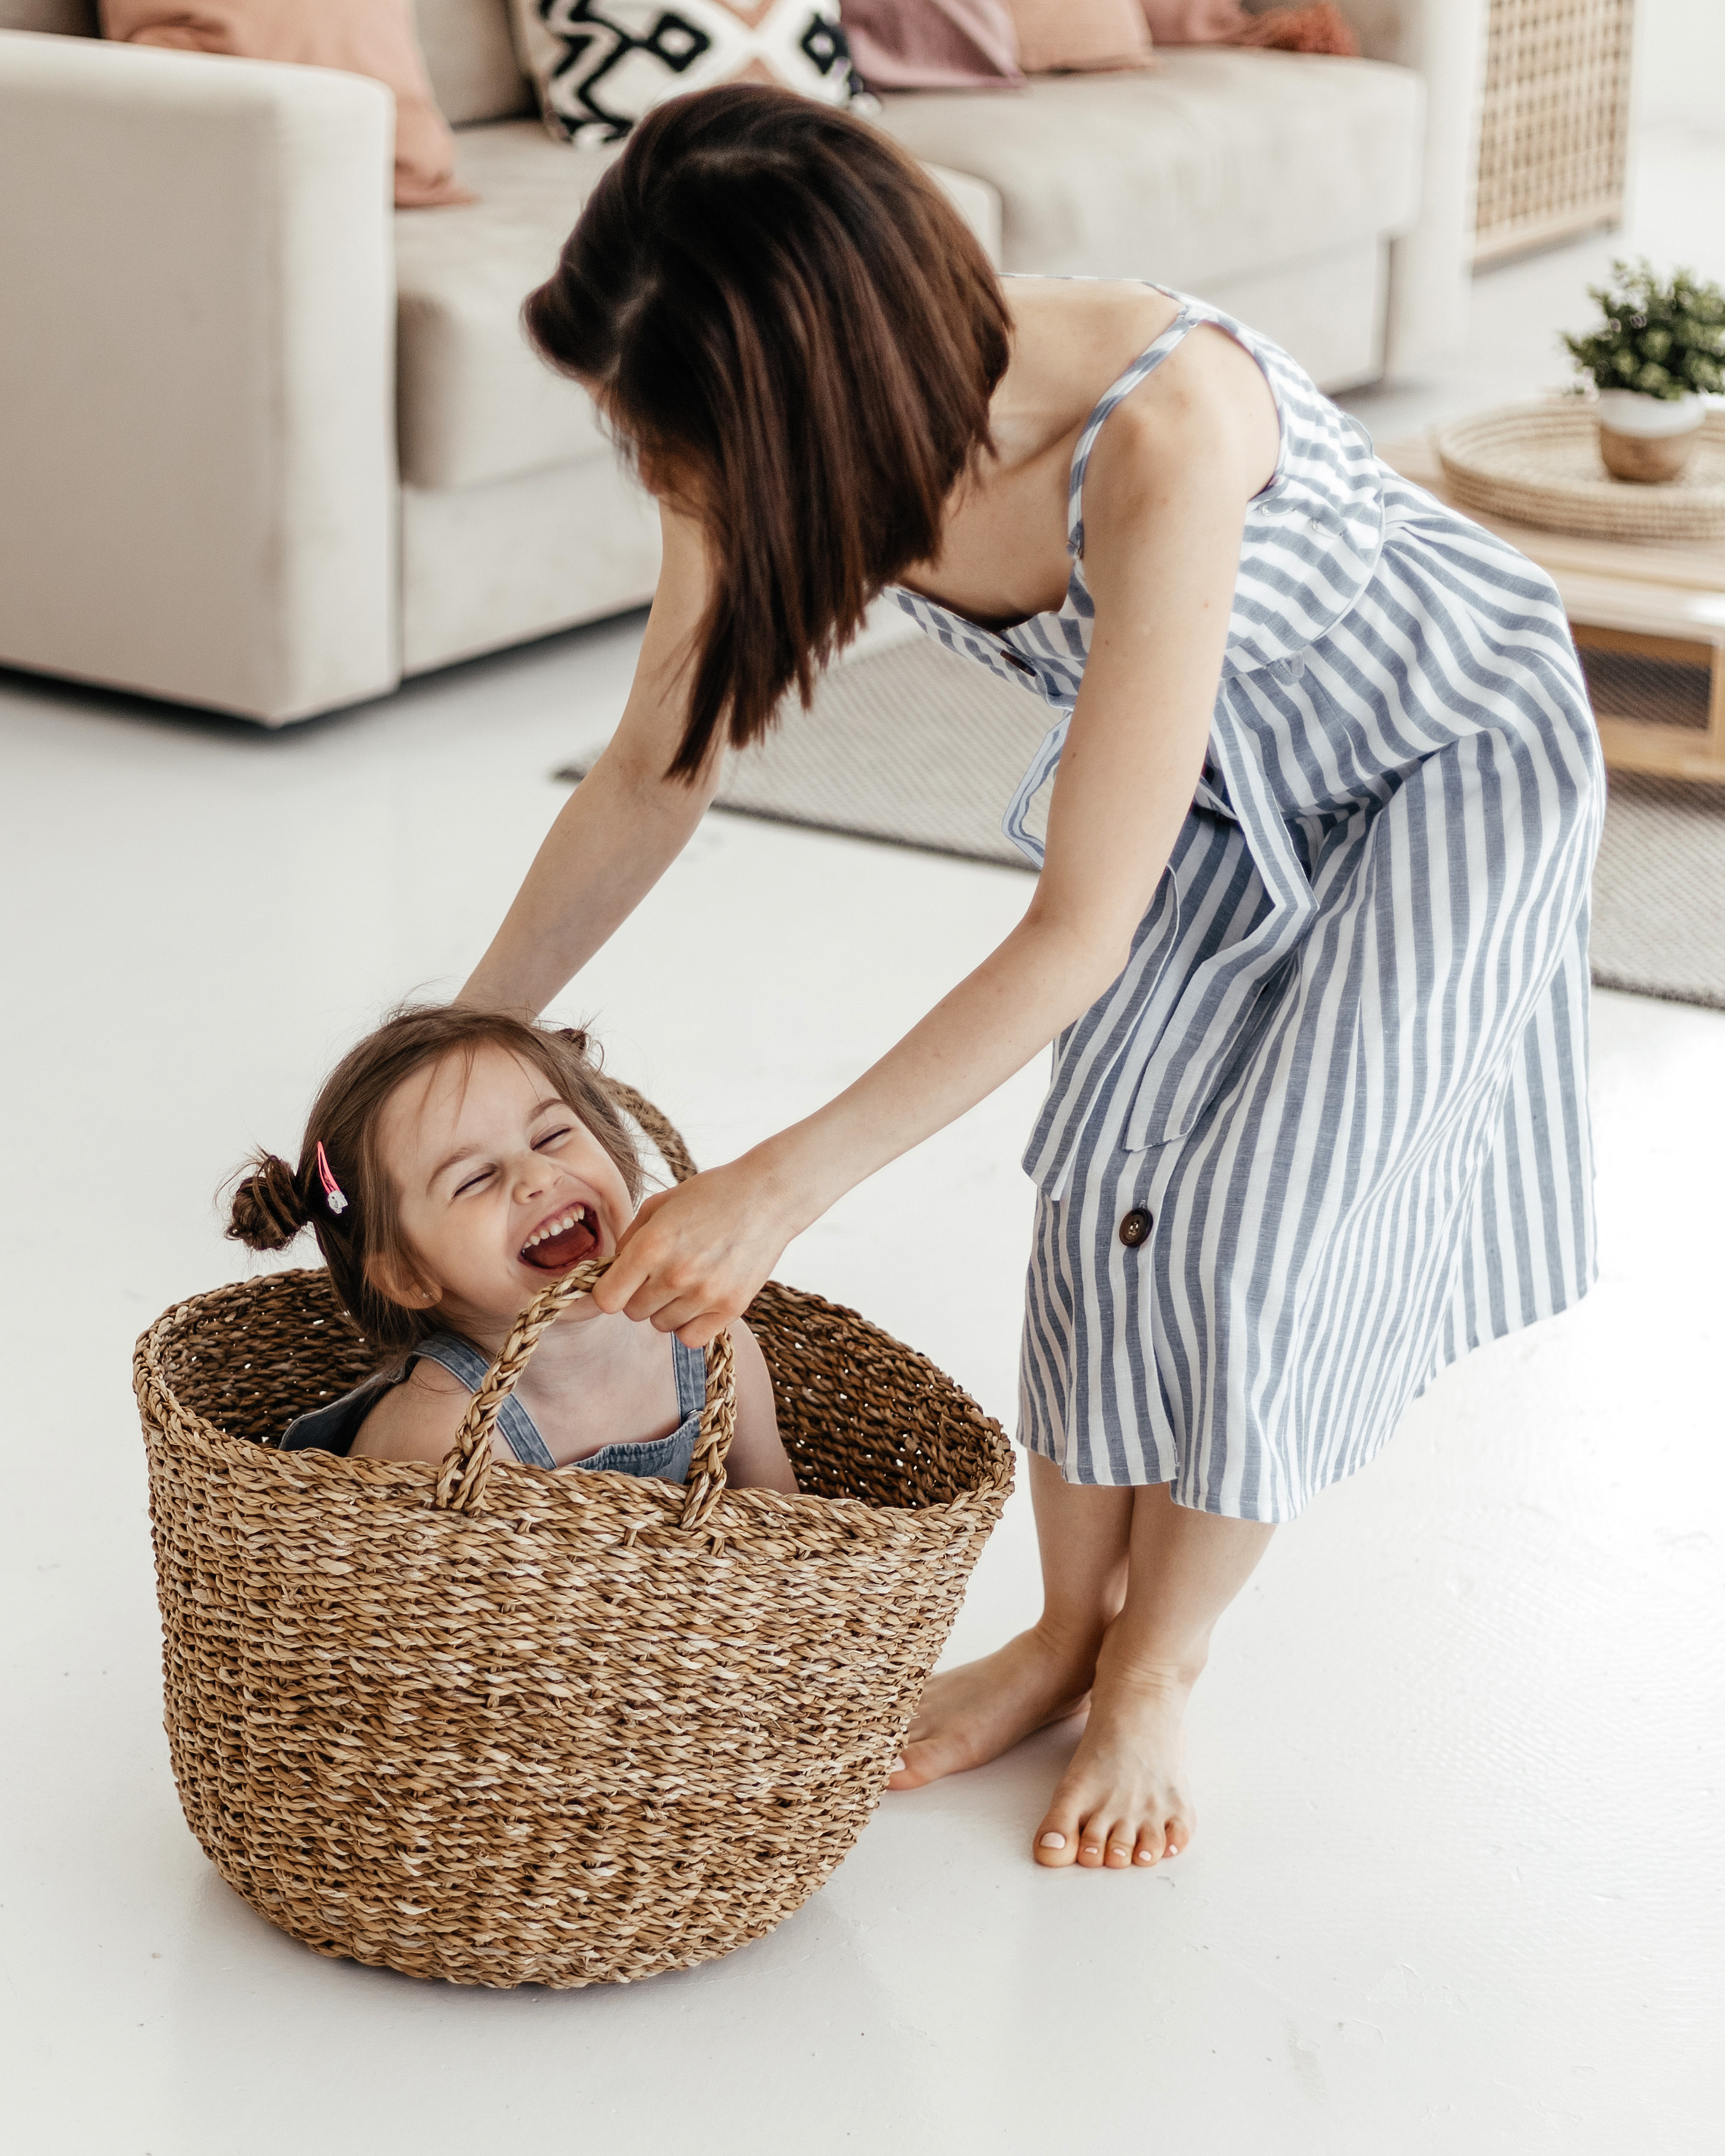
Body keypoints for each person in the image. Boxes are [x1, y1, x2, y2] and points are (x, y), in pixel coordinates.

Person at [459, 86, 1602, 1871]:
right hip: (1212, 798)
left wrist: (782, 1182)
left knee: (1261, 1233)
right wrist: (461, 1035)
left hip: (1436, 776)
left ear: (817, 399)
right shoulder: (749, 434)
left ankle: (1158, 1660)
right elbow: (653, 769)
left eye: (692, 458)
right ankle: (1066, 1631)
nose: (678, 494)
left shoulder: (1157, 432)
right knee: (1103, 1198)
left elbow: (1078, 930)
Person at [224, 1005, 793, 1490]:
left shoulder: (708, 1342)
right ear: (408, 1275)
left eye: (551, 1136)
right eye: (472, 1179)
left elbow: (792, 1533)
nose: (536, 1175)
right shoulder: (443, 1433)